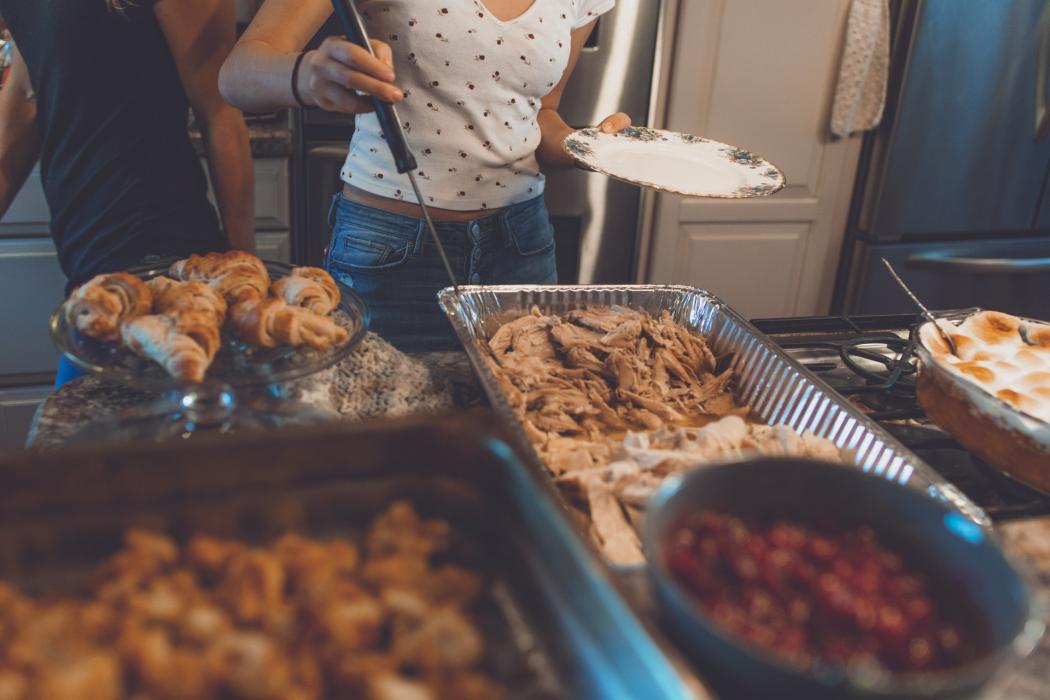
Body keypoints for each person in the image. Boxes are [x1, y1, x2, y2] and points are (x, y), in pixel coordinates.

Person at [221, 0, 627, 352]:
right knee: (383, 429)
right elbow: (237, 74)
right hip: (390, 250)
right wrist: (308, 76)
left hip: (521, 248)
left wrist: (589, 146)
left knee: (514, 427)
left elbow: (542, 116)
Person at [0, 0, 254, 386]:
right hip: (85, 263)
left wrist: (244, 279)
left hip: (156, 267)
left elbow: (220, 109)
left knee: (94, 440)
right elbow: (28, 89)